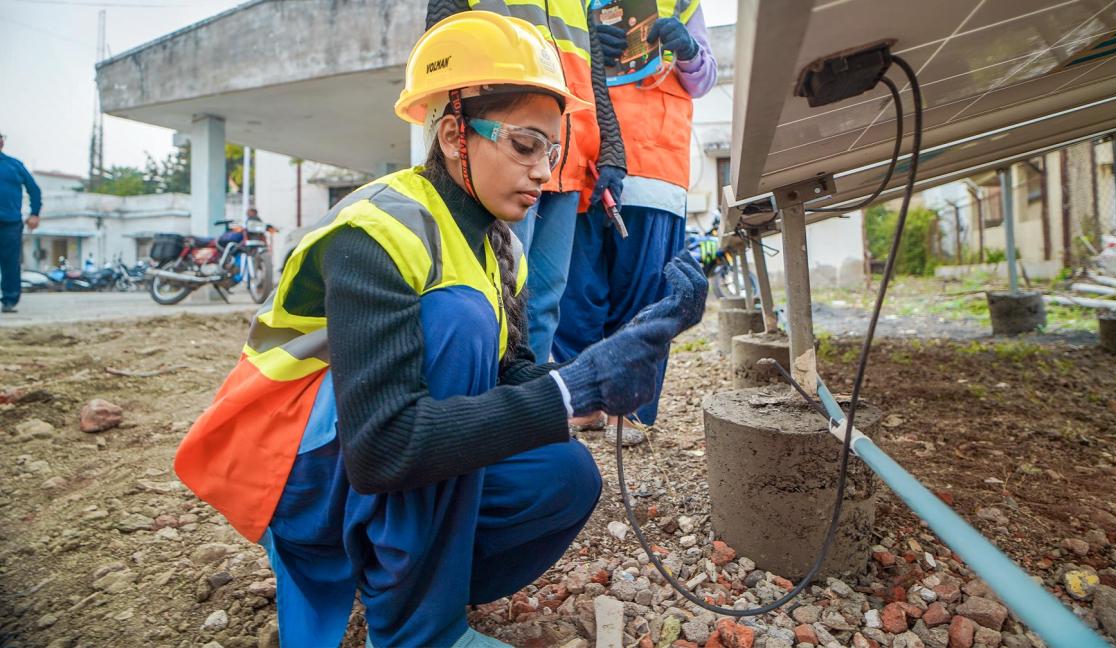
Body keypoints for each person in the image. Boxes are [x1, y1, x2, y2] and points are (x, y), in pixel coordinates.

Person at [173, 12, 707, 648]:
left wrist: (623, 347)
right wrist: (573, 390)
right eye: (525, 144)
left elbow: (516, 377)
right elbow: (385, 448)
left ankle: (415, 579)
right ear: (456, 134)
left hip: (362, 460)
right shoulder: (378, 227)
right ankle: (418, 631)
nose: (544, 172)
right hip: (294, 471)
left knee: (563, 477)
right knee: (459, 320)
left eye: (554, 151)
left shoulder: (497, 245)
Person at [425, 0, 627, 363]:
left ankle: (530, 403)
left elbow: (596, 76)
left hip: (565, 156)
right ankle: (493, 404)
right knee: (494, 295)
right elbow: (443, 49)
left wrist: (611, 148)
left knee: (546, 299)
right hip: (498, 153)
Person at [555, 0, 716, 435]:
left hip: (656, 165)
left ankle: (631, 411)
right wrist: (588, 42)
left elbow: (705, 78)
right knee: (576, 293)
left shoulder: (682, 3)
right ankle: (583, 402)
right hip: (581, 156)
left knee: (644, 297)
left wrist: (687, 51)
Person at [0, 132, 42, 314]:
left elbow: (34, 190)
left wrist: (34, 213)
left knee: (10, 263)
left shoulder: (14, 165)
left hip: (10, 223)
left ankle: (9, 299)